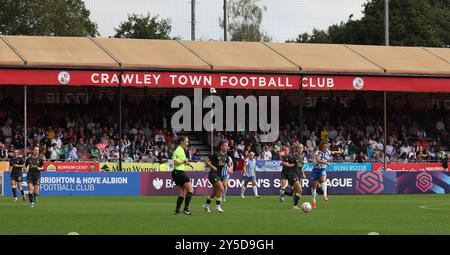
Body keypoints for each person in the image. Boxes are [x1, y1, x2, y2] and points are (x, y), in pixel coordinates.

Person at [310, 141, 339, 209]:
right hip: (315, 170)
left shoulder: (327, 152)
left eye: (326, 147)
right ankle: (313, 201)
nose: (326, 148)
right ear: (321, 147)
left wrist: (337, 152)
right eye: (324, 147)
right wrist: (326, 162)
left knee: (323, 180)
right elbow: (318, 160)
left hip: (322, 169)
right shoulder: (318, 152)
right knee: (314, 186)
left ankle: (325, 195)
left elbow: (332, 152)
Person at [203, 140, 230, 213]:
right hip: (212, 174)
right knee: (221, 188)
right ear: (221, 146)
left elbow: (229, 164)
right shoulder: (216, 154)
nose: (227, 147)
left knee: (214, 192)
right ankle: (218, 207)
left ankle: (206, 206)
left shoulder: (226, 156)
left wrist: (230, 168)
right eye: (225, 146)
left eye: (227, 146)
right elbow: (206, 160)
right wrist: (212, 166)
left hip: (219, 175)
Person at [171, 136, 194, 215]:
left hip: (177, 172)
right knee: (190, 190)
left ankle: (177, 210)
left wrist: (187, 163)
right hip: (179, 172)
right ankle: (186, 209)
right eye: (186, 142)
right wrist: (184, 161)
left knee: (182, 193)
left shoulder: (182, 150)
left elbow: (181, 161)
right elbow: (175, 163)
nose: (187, 143)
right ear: (181, 142)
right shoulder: (178, 150)